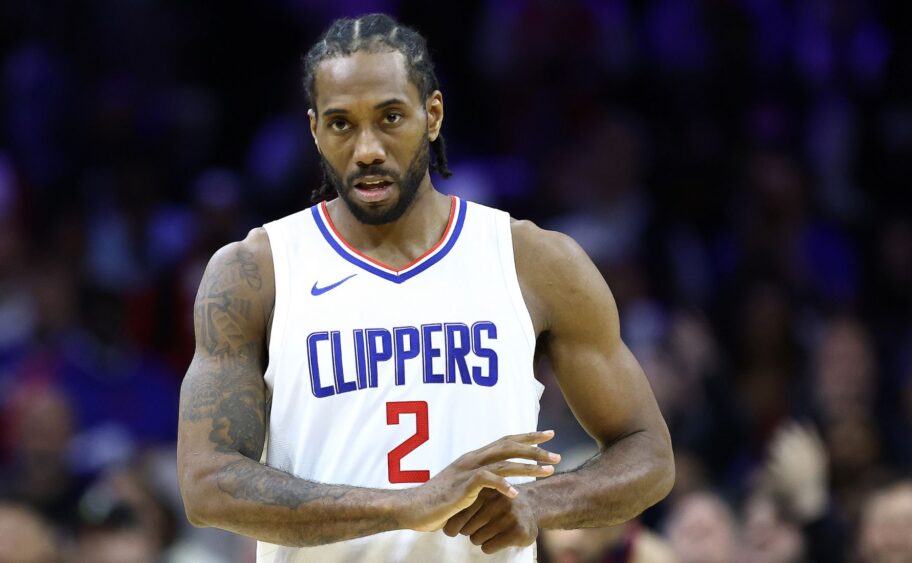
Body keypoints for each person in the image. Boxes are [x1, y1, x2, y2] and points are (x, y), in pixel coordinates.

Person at [176, 13, 673, 562]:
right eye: (342, 124)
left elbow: (648, 453)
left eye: (390, 117)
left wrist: (538, 503)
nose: (367, 148)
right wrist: (407, 504)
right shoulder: (256, 272)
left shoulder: (533, 261)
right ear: (315, 130)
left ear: (432, 115)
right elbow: (207, 483)